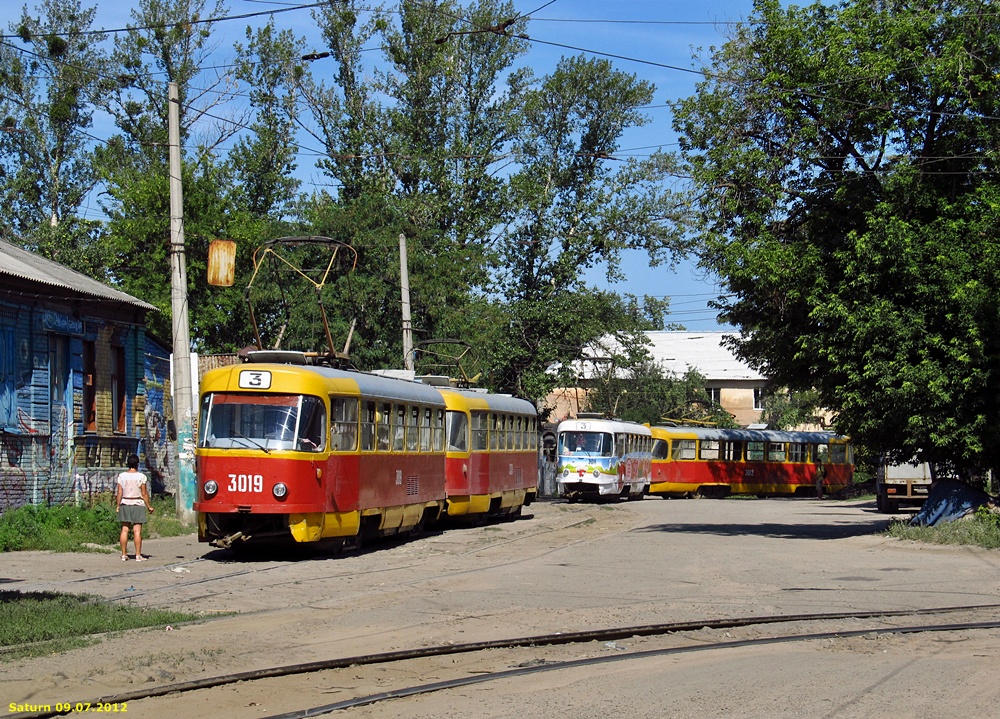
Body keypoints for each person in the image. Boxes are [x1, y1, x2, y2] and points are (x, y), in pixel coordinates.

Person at [115, 454, 154, 561]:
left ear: (128, 464)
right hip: (137, 503)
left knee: (124, 529)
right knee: (137, 531)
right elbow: (144, 493)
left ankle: (123, 555)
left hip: (125, 503)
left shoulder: (122, 476)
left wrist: (118, 505)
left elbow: (119, 493)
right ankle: (137, 555)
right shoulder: (141, 477)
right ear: (137, 464)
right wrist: (149, 506)